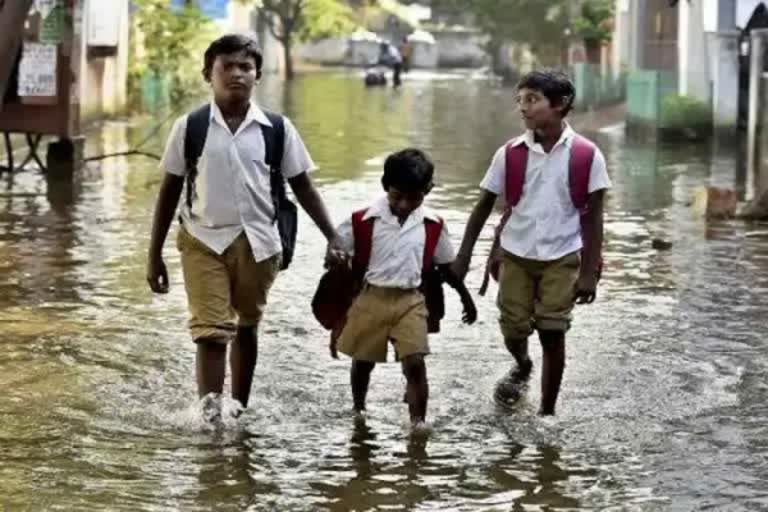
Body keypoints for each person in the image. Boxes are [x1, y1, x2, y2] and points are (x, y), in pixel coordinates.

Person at [146, 34, 344, 422]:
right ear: (209, 74)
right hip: (202, 239)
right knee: (211, 332)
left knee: (247, 327)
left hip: (259, 243)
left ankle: (239, 407)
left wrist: (333, 235)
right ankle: (210, 417)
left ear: (257, 75)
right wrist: (153, 255)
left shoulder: (276, 128)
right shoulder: (191, 127)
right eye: (227, 67)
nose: (236, 74)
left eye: (245, 67)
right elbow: (169, 190)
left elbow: (302, 184)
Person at [451, 70, 612, 416]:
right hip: (516, 255)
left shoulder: (586, 155)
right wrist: (463, 256)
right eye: (520, 100)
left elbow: (594, 217)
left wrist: (589, 272)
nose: (523, 108)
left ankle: (547, 411)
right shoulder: (508, 154)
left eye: (532, 99)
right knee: (513, 328)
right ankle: (522, 363)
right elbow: (482, 205)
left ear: (561, 105)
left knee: (553, 332)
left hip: (563, 256)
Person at [329, 148, 476, 427]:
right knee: (363, 361)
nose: (406, 204)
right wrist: (333, 257)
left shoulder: (433, 225)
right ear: (385, 187)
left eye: (414, 197)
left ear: (428, 190)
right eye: (398, 196)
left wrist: (466, 298)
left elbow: (445, 267)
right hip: (370, 297)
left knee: (415, 361)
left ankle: (418, 425)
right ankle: (359, 411)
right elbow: (337, 254)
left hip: (411, 301)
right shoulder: (361, 221)